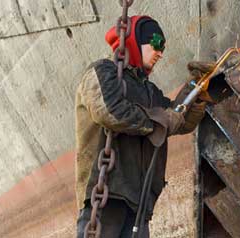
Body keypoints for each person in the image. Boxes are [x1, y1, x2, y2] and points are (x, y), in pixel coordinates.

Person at [74, 15, 211, 237]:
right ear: (135, 41)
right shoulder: (102, 72)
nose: (160, 52)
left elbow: (177, 120)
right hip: (106, 197)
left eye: (163, 47)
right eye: (156, 43)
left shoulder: (150, 92)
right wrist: (158, 120)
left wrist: (196, 90)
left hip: (139, 203)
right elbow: (108, 110)